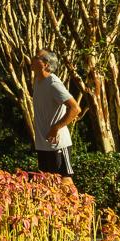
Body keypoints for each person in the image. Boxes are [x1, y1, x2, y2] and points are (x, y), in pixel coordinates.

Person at [30, 49, 81, 179]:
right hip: (43, 145)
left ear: (45, 64)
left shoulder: (53, 83)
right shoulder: (37, 81)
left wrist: (56, 128)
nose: (32, 58)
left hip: (58, 144)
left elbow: (75, 108)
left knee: (65, 183)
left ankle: (79, 201)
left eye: (36, 57)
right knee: (49, 186)